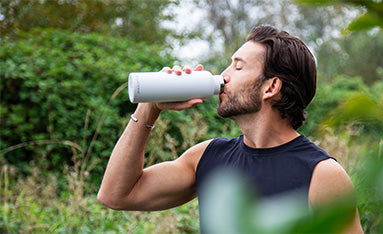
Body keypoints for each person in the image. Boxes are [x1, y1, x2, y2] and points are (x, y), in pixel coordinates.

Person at [97, 25, 363, 233]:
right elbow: (116, 195)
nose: (224, 75)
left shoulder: (321, 174)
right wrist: (149, 107)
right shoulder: (208, 157)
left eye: (238, 66)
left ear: (270, 87)